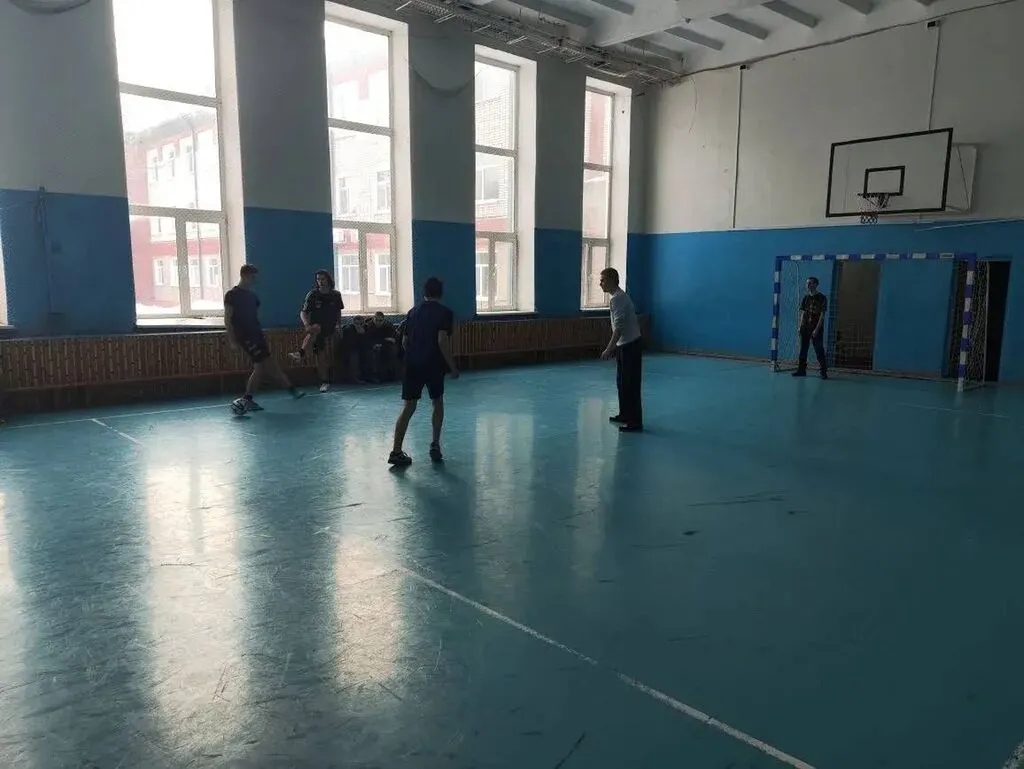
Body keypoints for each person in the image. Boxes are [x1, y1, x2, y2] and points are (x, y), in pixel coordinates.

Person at [388, 277, 458, 466]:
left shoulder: (413, 312)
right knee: (437, 402)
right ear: (440, 293)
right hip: (433, 364)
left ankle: (396, 451)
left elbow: (404, 341)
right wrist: (452, 367)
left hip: (412, 364)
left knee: (408, 406)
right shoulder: (445, 313)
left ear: (424, 292)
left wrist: (413, 358)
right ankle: (435, 444)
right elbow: (442, 340)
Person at [224, 264, 305, 415]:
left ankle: (290, 390)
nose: (255, 280)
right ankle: (251, 398)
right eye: (253, 277)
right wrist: (233, 340)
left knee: (269, 366)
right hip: (246, 337)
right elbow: (228, 319)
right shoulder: (232, 295)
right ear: (245, 276)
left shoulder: (252, 297)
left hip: (257, 336)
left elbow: (253, 317)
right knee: (261, 367)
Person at [599, 267, 643, 432]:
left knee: (630, 384)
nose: (600, 283)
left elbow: (618, 329)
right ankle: (624, 414)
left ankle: (635, 422)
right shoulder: (617, 297)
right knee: (622, 383)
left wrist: (608, 349)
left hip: (630, 345)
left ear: (611, 280)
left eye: (603, 280)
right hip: (624, 345)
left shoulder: (619, 299)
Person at [288, 270, 344, 393]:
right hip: (316, 328)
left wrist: (339, 326)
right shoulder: (313, 294)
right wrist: (306, 325)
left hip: (329, 326)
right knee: (320, 353)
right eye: (318, 279)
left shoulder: (335, 295)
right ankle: (324, 381)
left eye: (323, 279)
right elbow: (303, 312)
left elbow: (338, 311)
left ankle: (300, 353)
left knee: (317, 329)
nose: (320, 281)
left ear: (328, 280)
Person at [794, 276, 828, 379]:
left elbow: (822, 315)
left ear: (816, 284)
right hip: (805, 328)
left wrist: (816, 329)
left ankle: (823, 371)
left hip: (816, 328)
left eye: (810, 283)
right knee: (803, 349)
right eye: (807, 283)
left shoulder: (822, 297)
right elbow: (803, 313)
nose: (808, 285)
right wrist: (800, 326)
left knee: (819, 349)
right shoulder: (806, 298)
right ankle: (801, 370)